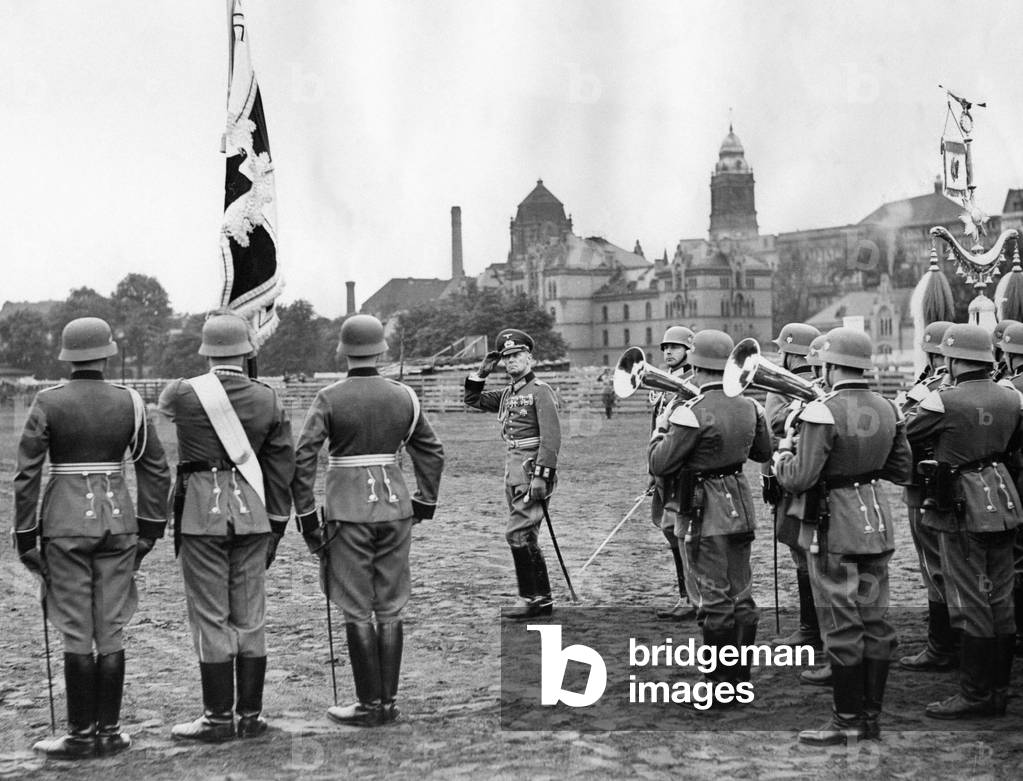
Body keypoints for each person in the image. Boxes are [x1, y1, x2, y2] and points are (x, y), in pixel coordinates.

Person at [14, 317, 170, 758]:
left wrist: (26, 537)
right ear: (106, 354)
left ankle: (81, 734)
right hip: (119, 523)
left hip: (64, 524)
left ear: (67, 356)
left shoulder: (48, 402)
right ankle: (111, 731)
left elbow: (27, 475)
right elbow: (155, 468)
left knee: (76, 631)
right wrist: (150, 529)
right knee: (112, 628)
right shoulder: (131, 401)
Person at [292, 314, 444, 727]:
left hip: (347, 512)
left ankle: (368, 704)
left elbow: (304, 455)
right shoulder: (404, 396)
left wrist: (307, 519)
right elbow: (432, 451)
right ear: (380, 351)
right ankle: (388, 704)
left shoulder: (329, 397)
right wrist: (424, 502)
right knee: (390, 605)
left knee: (357, 607)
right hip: (396, 509)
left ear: (343, 352)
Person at [158, 312, 295, 742]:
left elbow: (163, 410)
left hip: (202, 515)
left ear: (206, 351)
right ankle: (250, 716)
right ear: (247, 350)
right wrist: (276, 524)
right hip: (254, 515)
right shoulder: (268, 398)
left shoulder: (183, 393)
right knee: (250, 617)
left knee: (210, 618)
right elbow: (280, 467)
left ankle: (217, 718)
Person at [775, 327, 911, 744]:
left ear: (831, 366)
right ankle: (870, 718)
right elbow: (902, 470)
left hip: (835, 526)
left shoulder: (822, 410)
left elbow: (800, 477)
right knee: (875, 620)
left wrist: (783, 455)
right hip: (875, 521)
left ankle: (846, 720)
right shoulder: (889, 407)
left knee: (840, 623)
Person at [907, 323, 1023, 719]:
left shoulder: (943, 401)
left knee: (970, 597)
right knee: (1001, 597)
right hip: (1003, 497)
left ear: (954, 360)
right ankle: (998, 691)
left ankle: (975, 694)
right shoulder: (1012, 397)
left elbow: (908, 432)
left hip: (961, 502)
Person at [648, 329, 772, 692]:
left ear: (697, 364)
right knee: (741, 593)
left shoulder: (690, 412)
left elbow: (660, 462)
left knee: (713, 598)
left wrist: (660, 429)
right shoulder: (751, 405)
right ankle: (739, 680)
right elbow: (763, 453)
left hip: (704, 509)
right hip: (740, 505)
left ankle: (719, 685)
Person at [465, 328, 561, 620]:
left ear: (530, 357)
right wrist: (482, 372)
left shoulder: (540, 391)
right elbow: (473, 400)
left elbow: (551, 437)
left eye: (517, 355)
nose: (511, 361)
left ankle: (531, 598)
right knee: (526, 535)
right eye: (506, 357)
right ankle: (541, 599)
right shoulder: (508, 393)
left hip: (532, 472)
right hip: (514, 472)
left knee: (517, 534)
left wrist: (543, 476)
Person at [897, 320, 957, 673]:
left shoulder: (931, 389)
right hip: (954, 486)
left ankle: (942, 645)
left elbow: (906, 428)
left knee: (933, 565)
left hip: (926, 487)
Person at [763, 323, 822, 652]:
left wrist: (770, 473)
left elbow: (773, 431)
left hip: (793, 476)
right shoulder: (821, 381)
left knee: (802, 554)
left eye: (780, 350)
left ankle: (810, 628)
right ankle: (816, 627)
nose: (778, 356)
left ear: (789, 353)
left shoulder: (780, 387)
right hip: (818, 478)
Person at [649, 325, 698, 621]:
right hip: (664, 467)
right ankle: (686, 595)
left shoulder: (691, 382)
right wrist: (652, 468)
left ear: (689, 351)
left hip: (682, 469)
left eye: (675, 347)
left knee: (681, 532)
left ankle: (691, 597)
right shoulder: (665, 380)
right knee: (671, 531)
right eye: (665, 347)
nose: (668, 351)